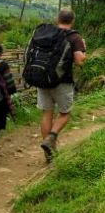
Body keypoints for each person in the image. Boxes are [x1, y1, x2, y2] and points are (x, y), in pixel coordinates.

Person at [37, 9, 87, 160]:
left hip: (42, 79)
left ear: (57, 19)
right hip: (62, 82)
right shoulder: (75, 37)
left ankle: (48, 154)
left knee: (47, 113)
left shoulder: (46, 33)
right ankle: (51, 137)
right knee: (65, 114)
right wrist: (84, 51)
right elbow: (79, 61)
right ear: (72, 20)